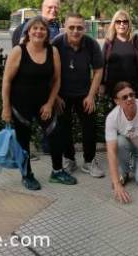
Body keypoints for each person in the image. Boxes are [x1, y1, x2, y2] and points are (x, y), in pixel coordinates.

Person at [1, 16, 70, 190]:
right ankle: (27, 175)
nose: (39, 31)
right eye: (35, 28)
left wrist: (49, 103)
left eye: (42, 29)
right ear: (28, 31)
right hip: (20, 104)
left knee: (55, 135)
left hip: (44, 103)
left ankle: (57, 171)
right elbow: (7, 81)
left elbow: (57, 80)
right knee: (23, 141)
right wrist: (6, 107)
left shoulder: (52, 51)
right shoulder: (19, 51)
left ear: (47, 33)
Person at [51, 13, 105, 178]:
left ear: (85, 28)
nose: (75, 31)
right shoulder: (56, 43)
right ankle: (69, 159)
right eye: (72, 27)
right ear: (65, 27)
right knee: (64, 128)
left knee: (89, 128)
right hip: (62, 95)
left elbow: (98, 71)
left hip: (84, 94)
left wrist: (91, 95)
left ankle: (89, 161)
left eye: (79, 27)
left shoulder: (91, 44)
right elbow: (50, 72)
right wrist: (55, 96)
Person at [101, 10, 138, 97]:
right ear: (114, 24)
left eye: (125, 21)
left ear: (129, 24)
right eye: (118, 22)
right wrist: (101, 84)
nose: (121, 24)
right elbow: (102, 63)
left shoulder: (136, 40)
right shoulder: (109, 42)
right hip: (113, 87)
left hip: (133, 87)